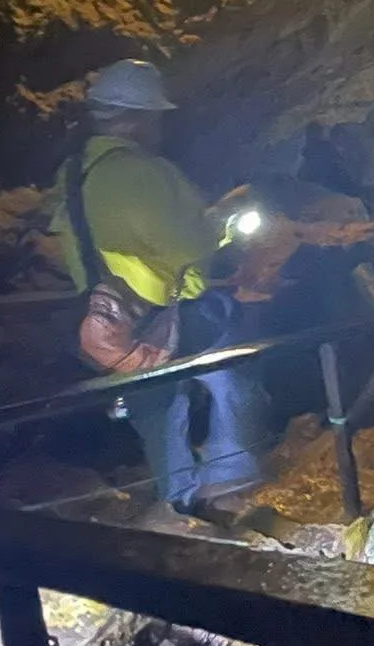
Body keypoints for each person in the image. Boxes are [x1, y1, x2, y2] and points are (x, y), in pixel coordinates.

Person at [50, 58, 271, 514]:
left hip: (109, 319)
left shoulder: (74, 172)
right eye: (155, 117)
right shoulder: (141, 172)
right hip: (171, 311)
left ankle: (177, 501)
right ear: (137, 118)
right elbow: (185, 242)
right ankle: (232, 476)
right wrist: (224, 224)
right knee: (237, 377)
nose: (160, 126)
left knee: (158, 409)